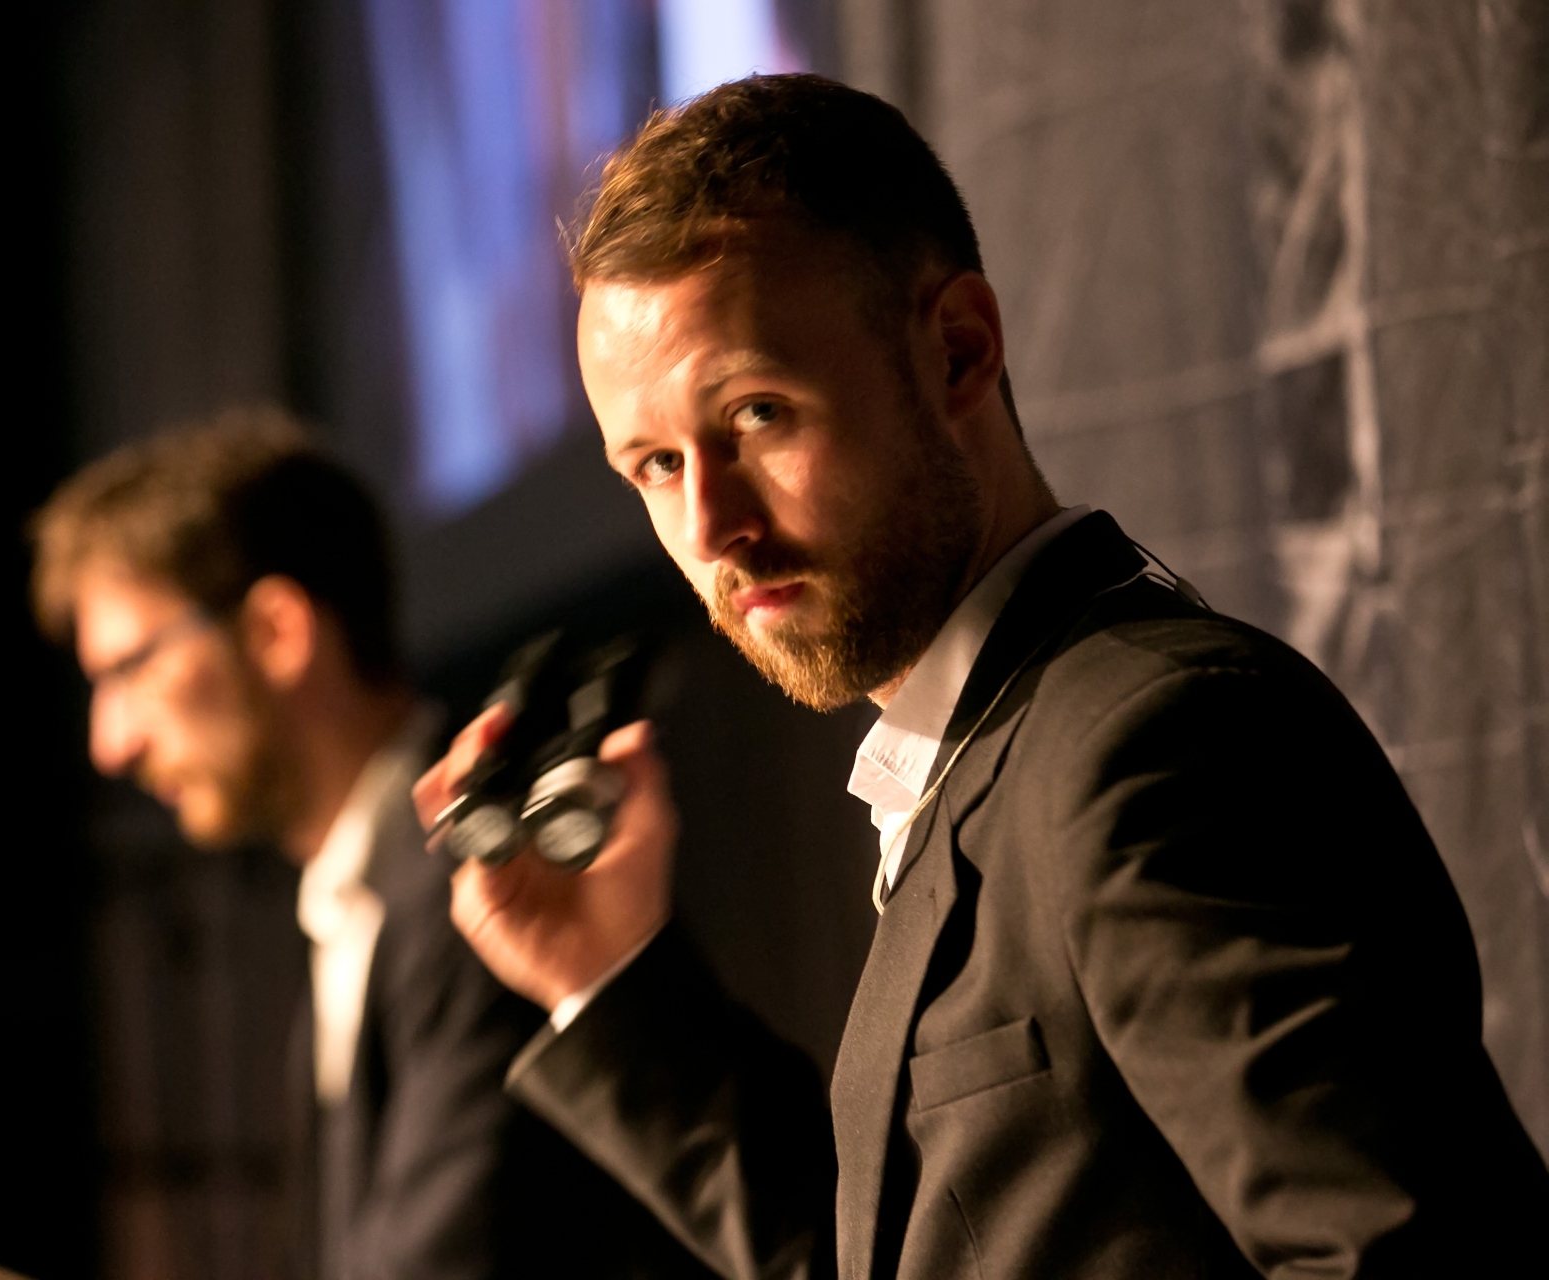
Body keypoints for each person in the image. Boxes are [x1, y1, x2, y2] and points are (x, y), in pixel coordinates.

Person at [413, 75, 1549, 1280]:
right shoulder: (996, 757)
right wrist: (608, 980)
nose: (710, 525)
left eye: (757, 413)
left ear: (958, 350)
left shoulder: (1153, 746)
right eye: (653, 464)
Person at [33, 411, 711, 1280]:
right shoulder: (373, 893)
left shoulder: (483, 885)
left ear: (277, 632)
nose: (110, 743)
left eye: (131, 669)